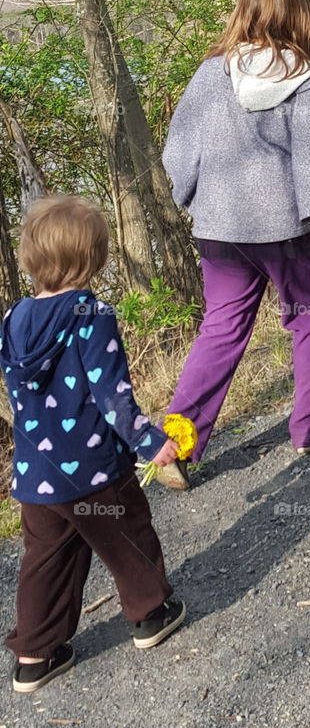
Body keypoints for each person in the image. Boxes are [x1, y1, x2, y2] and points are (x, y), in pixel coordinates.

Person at [161, 0, 310, 489]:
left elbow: (179, 155)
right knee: (308, 316)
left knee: (220, 329)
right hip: (286, 230)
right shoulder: (305, 79)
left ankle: (174, 444)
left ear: (244, 10)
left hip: (219, 230)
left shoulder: (210, 74)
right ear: (301, 15)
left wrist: (197, 200)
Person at [1, 195, 186, 695]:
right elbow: (111, 396)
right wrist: (151, 443)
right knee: (127, 536)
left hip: (36, 475)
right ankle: (151, 615)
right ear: (94, 258)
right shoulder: (91, 312)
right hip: (93, 470)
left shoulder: (12, 319)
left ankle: (35, 655)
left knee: (46, 561)